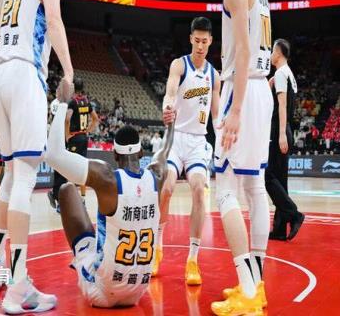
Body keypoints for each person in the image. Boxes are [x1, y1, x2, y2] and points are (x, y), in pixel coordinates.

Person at [0, 0, 74, 314]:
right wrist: (68, 72)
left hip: (0, 76)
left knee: (9, 175)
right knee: (24, 177)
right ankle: (18, 287)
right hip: (24, 75)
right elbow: (53, 21)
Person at [44, 89, 175, 308]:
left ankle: (83, 261)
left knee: (66, 190)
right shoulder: (157, 176)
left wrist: (62, 104)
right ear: (141, 153)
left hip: (104, 290)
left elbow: (53, 155)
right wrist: (171, 125)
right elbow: (165, 150)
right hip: (138, 291)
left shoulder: (108, 178)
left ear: (114, 155)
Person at [207, 0, 274, 315]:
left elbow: (244, 51)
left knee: (226, 190)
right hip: (260, 89)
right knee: (255, 188)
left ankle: (248, 291)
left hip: (243, 88)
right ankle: (256, 284)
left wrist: (233, 110)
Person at [154, 16, 220, 286]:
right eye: (197, 40)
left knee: (199, 190)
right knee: (167, 188)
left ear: (211, 41)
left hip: (197, 142)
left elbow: (216, 114)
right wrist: (167, 107)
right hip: (175, 137)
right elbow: (170, 92)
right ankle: (157, 246)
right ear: (191, 38)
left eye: (205, 41)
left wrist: (225, 133)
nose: (201, 46)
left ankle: (192, 259)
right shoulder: (179, 64)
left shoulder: (214, 75)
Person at [266, 39, 304, 241]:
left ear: (279, 53)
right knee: (280, 180)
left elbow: (282, 106)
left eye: (272, 51)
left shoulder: (281, 73)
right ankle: (280, 229)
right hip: (285, 128)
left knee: (268, 177)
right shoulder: (288, 74)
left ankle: (294, 214)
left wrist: (280, 134)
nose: (270, 54)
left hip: (279, 129)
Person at [47, 77, 99, 211]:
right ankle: (83, 200)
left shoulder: (72, 102)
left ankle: (66, 201)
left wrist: (67, 134)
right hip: (84, 138)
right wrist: (88, 130)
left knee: (69, 169)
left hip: (74, 138)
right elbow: (96, 119)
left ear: (74, 87)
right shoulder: (87, 102)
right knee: (83, 168)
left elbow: (67, 119)